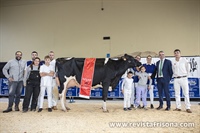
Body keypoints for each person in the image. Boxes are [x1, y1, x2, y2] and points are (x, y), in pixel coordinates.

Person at [172, 49, 192, 113]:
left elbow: (188, 69)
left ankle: (188, 107)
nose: (176, 54)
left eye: (178, 53)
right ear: (174, 54)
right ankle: (178, 107)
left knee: (186, 93)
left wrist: (186, 76)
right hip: (176, 79)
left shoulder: (184, 60)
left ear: (180, 53)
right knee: (177, 94)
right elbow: (172, 70)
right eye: (175, 53)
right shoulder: (173, 62)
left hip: (184, 78)